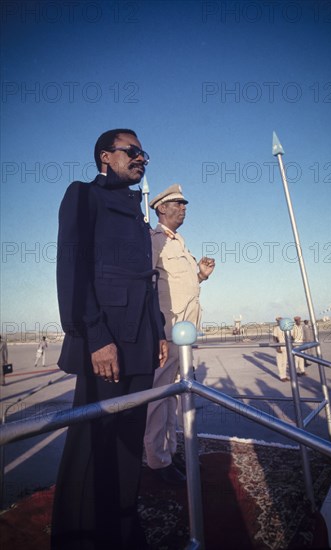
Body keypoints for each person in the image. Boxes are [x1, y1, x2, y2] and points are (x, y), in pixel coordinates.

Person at [51, 129, 168, 550]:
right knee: (92, 441)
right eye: (132, 152)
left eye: (143, 153)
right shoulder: (84, 195)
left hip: (140, 339)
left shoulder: (134, 208)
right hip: (107, 341)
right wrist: (96, 336)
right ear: (106, 156)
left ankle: (120, 529)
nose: (142, 159)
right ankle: (76, 537)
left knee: (128, 440)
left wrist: (159, 330)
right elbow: (73, 270)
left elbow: (145, 278)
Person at [143, 184, 215, 484]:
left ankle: (167, 453)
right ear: (161, 208)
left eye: (185, 204)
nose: (183, 208)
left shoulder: (180, 242)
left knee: (173, 397)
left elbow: (180, 286)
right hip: (166, 331)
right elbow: (145, 283)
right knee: (159, 398)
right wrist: (154, 330)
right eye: (177, 203)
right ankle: (155, 462)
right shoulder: (154, 239)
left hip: (182, 334)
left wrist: (200, 275)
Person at [272, 317, 289, 382]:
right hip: (280, 346)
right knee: (280, 362)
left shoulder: (285, 328)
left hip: (286, 346)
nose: (280, 322)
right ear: (277, 322)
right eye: (278, 321)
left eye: (281, 321)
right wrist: (277, 347)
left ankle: (285, 376)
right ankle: (282, 377)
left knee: (285, 362)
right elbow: (274, 338)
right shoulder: (276, 328)